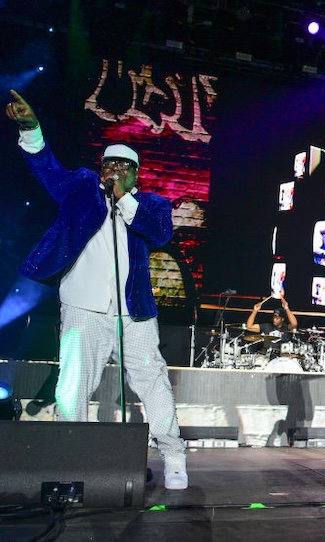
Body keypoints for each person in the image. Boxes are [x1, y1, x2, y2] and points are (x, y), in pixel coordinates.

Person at [6, 89, 187, 489]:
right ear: (100, 167)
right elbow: (47, 168)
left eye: (125, 166)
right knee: (74, 383)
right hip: (82, 305)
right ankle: (71, 456)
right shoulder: (81, 188)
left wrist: (124, 201)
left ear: (136, 174)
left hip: (133, 311)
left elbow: (159, 235)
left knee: (152, 380)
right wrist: (31, 129)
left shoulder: (153, 204)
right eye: (110, 164)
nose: (116, 170)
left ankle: (173, 455)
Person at [245, 294, 299, 358]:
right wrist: (255, 310)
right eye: (273, 317)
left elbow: (294, 324)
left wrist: (286, 308)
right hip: (266, 354)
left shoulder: (286, 327)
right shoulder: (266, 326)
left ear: (282, 319)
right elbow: (249, 327)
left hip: (280, 356)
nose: (274, 319)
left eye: (277, 318)